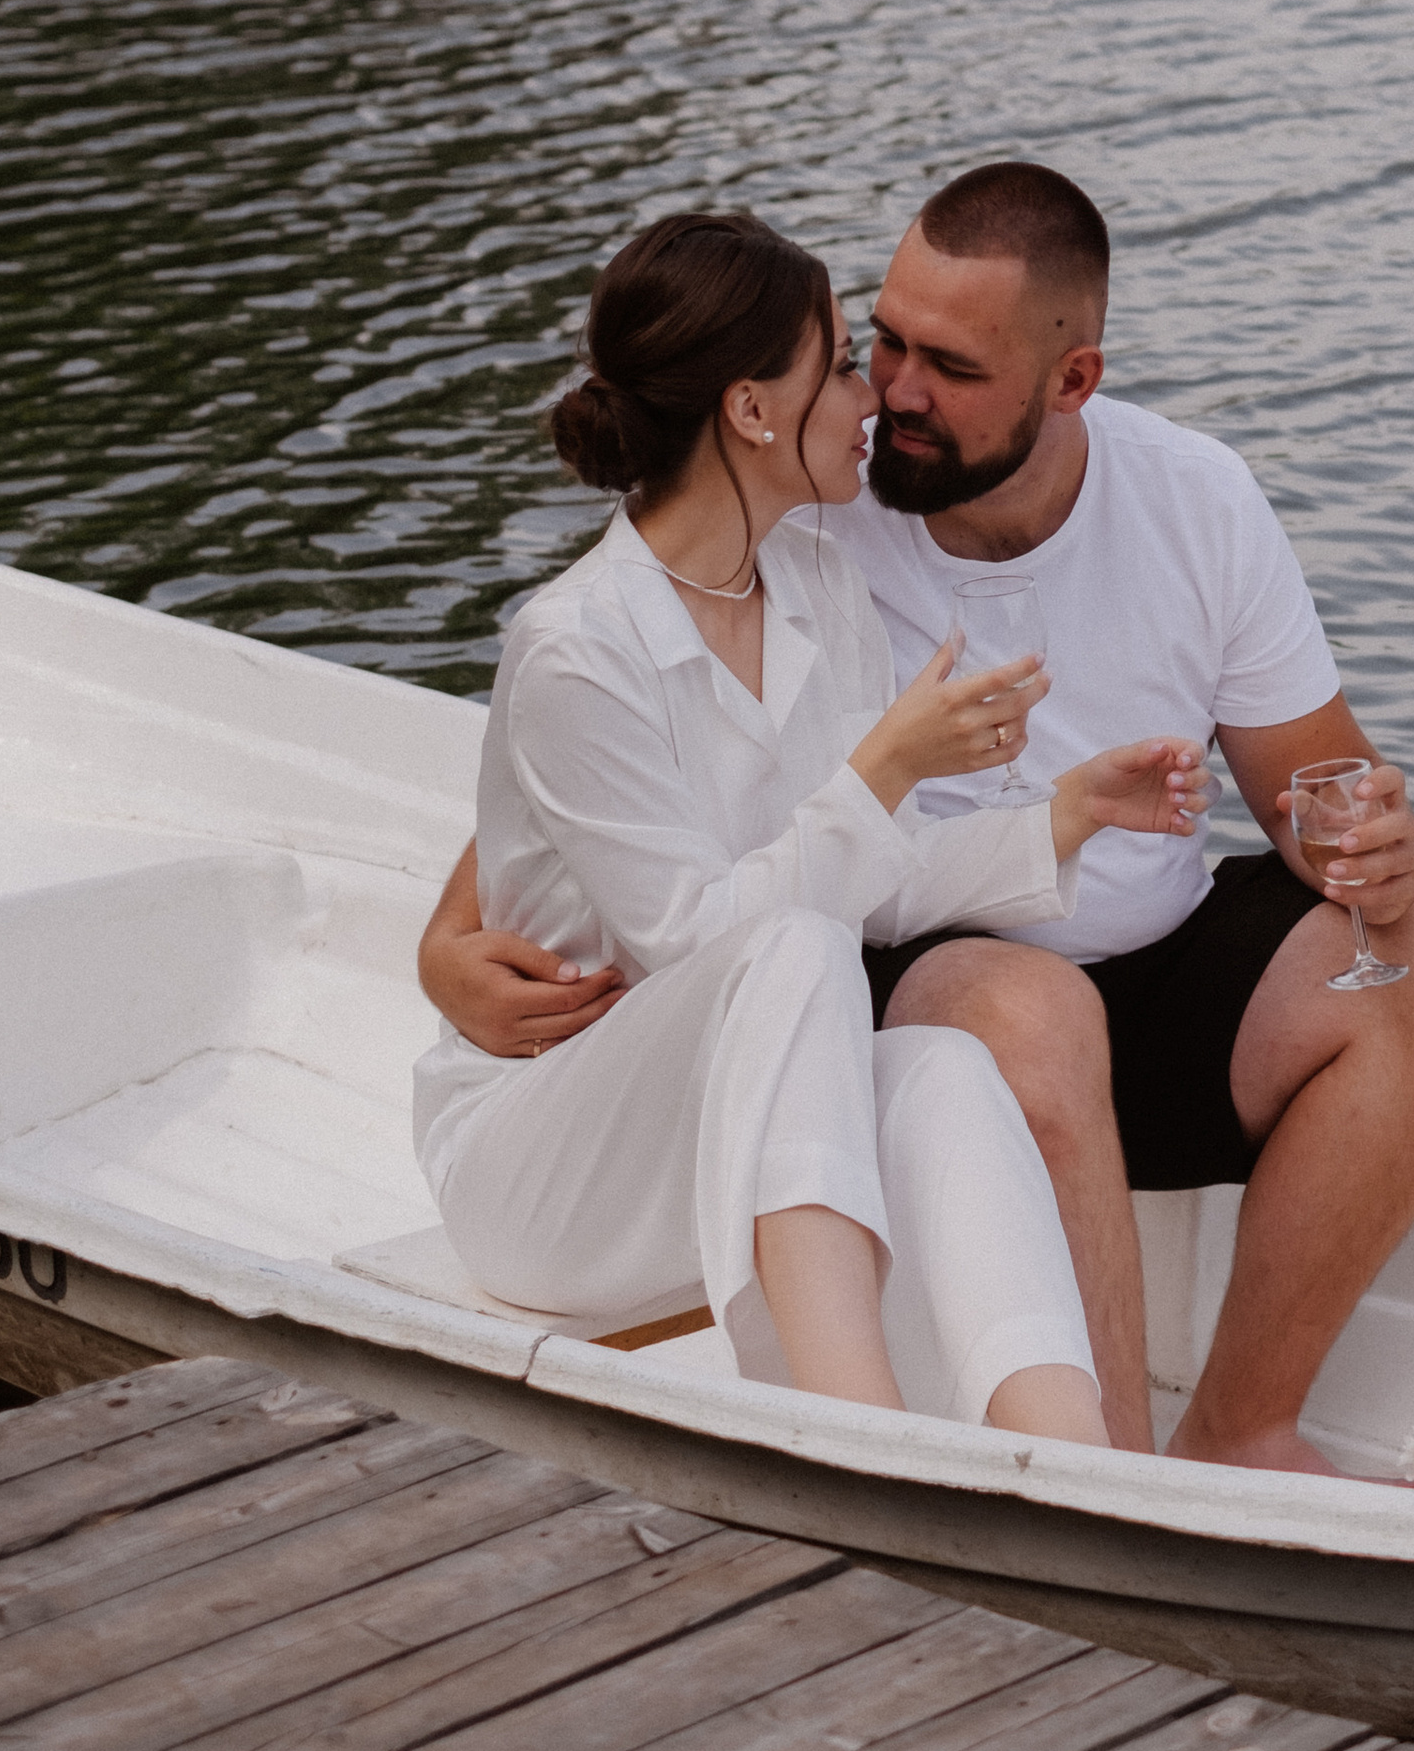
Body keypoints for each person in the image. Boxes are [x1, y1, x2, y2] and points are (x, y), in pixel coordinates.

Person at [424, 166, 1414, 1473]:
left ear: (1072, 380)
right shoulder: (815, 516)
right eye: (876, 346)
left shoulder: (1162, 502)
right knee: (966, 997)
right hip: (868, 992)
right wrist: (442, 946)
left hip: (1095, 965)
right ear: (761, 407)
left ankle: (1222, 1439)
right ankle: (1082, 1481)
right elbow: (603, 808)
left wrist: (1350, 844)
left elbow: (1317, 791)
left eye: (947, 365)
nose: (891, 393)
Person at [414, 206, 1206, 1441]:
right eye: (838, 364)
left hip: (722, 1136)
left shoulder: (820, 583)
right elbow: (701, 945)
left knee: (944, 1069)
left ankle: (1082, 1464)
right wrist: (884, 767)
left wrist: (1060, 819)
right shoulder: (577, 649)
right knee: (794, 951)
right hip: (547, 1162)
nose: (869, 396)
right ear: (749, 410)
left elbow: (869, 885)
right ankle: (857, 1435)